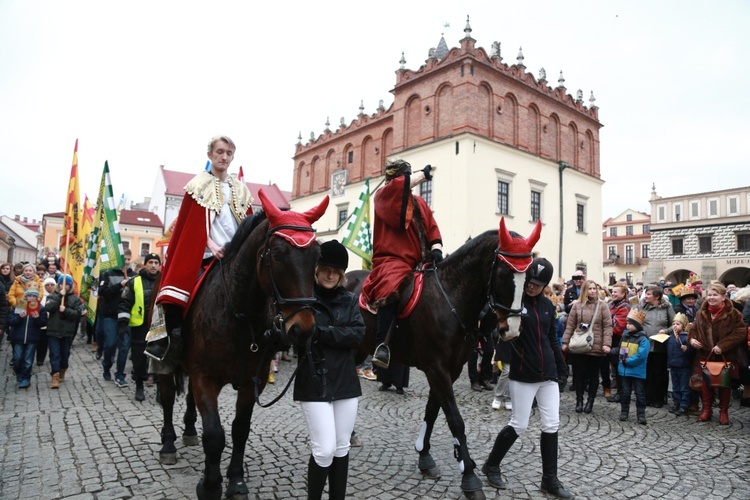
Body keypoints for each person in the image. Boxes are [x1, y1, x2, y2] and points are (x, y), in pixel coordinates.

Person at [150, 135, 254, 361]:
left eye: (228, 153)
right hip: (205, 255)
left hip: (233, 255)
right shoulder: (198, 185)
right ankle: (173, 338)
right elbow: (191, 226)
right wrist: (212, 245)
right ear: (210, 154)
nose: (224, 157)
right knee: (178, 287)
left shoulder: (241, 190)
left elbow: (247, 224)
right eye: (220, 152)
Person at [482, 258, 572, 499]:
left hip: (548, 374)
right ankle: (491, 464)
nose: (532, 287)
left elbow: (552, 338)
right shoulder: (515, 302)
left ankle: (549, 480)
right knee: (519, 423)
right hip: (522, 373)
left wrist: (562, 368)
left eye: (538, 284)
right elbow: (499, 328)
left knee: (551, 424)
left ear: (545, 285)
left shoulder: (547, 306)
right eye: (530, 282)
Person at [294, 240, 365, 500]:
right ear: (317, 269)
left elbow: (358, 335)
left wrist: (322, 333)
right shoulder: (304, 298)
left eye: (336, 270)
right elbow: (296, 335)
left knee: (341, 447)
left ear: (342, 274)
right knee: (324, 449)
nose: (330, 274)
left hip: (345, 381)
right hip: (314, 380)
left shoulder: (349, 300)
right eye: (325, 268)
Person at [361, 159, 442, 369]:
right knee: (391, 283)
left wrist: (436, 250)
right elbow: (398, 189)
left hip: (419, 262)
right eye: (404, 176)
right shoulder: (383, 197)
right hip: (392, 259)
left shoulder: (420, 203)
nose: (407, 180)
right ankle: (381, 345)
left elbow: (432, 227)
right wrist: (421, 175)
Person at [688, 282, 746, 424]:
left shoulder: (734, 314)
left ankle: (723, 411)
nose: (711, 298)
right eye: (709, 295)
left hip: (725, 356)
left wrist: (722, 346)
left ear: (723, 296)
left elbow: (740, 332)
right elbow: (693, 330)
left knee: (724, 385)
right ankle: (706, 409)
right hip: (705, 355)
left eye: (715, 295)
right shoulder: (701, 313)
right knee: (705, 384)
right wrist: (692, 340)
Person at [561, 279, 612, 414]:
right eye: (589, 289)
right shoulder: (577, 305)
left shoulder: (602, 305)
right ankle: (579, 401)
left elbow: (607, 326)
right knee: (579, 375)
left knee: (594, 376)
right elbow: (570, 325)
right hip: (580, 345)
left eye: (594, 288)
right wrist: (565, 342)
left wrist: (607, 344)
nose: (592, 291)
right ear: (584, 290)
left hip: (597, 345)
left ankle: (590, 401)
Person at [118, 253, 162, 402]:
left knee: (159, 358)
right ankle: (139, 386)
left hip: (159, 327)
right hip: (140, 327)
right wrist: (123, 325)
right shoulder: (134, 282)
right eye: (150, 262)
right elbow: (125, 304)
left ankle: (160, 389)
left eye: (156, 262)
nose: (153, 265)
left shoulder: (165, 281)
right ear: (145, 264)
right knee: (139, 359)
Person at [98, 249, 135, 384]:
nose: (126, 262)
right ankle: (107, 365)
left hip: (126, 317)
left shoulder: (134, 275)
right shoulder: (108, 273)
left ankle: (120, 374)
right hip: (111, 315)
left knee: (124, 347)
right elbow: (103, 292)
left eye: (128, 259)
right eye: (123, 259)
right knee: (110, 344)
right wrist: (120, 285)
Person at [44, 275, 84, 388]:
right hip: (54, 329)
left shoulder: (75, 298)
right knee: (54, 353)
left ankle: (63, 368)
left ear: (70, 285)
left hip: (67, 331)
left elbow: (77, 315)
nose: (64, 286)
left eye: (66, 284)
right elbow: (49, 308)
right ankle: (55, 375)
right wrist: (58, 297)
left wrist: (66, 310)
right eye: (62, 284)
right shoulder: (52, 296)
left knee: (64, 353)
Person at [640, 285, 675, 408]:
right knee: (647, 372)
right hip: (645, 345)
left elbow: (675, 325)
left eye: (648, 294)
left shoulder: (667, 308)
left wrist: (666, 331)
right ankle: (647, 397)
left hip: (661, 346)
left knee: (659, 373)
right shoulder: (642, 307)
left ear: (657, 296)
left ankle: (659, 398)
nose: (646, 296)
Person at [8, 287, 48, 389]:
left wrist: (37, 318)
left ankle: (26, 378)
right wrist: (19, 317)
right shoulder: (20, 305)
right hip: (18, 337)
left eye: (34, 296)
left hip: (32, 338)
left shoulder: (40, 308)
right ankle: (19, 372)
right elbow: (11, 321)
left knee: (28, 360)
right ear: (25, 297)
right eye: (29, 296)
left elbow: (44, 323)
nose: (31, 298)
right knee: (17, 358)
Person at [617, 308, 650, 424]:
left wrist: (627, 361)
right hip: (625, 370)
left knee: (640, 393)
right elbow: (622, 350)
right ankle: (624, 412)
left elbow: (641, 355)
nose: (627, 326)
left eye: (630, 324)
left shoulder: (643, 339)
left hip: (637, 371)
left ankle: (641, 414)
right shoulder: (625, 336)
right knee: (625, 393)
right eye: (627, 323)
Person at [662, 313, 692, 416]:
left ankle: (684, 405)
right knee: (675, 386)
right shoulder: (671, 337)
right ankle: (676, 402)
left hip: (684, 366)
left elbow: (692, 352)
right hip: (673, 365)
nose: (675, 326)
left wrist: (687, 349)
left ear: (683, 326)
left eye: (678, 324)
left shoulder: (687, 338)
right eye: (673, 324)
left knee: (684, 387)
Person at [606, 282, 630, 403]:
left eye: (616, 292)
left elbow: (618, 327)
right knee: (615, 367)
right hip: (612, 339)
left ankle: (622, 393)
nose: (613, 294)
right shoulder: (612, 304)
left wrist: (606, 324)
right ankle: (619, 392)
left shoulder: (624, 306)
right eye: (613, 291)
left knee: (621, 366)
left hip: (621, 340)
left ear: (623, 293)